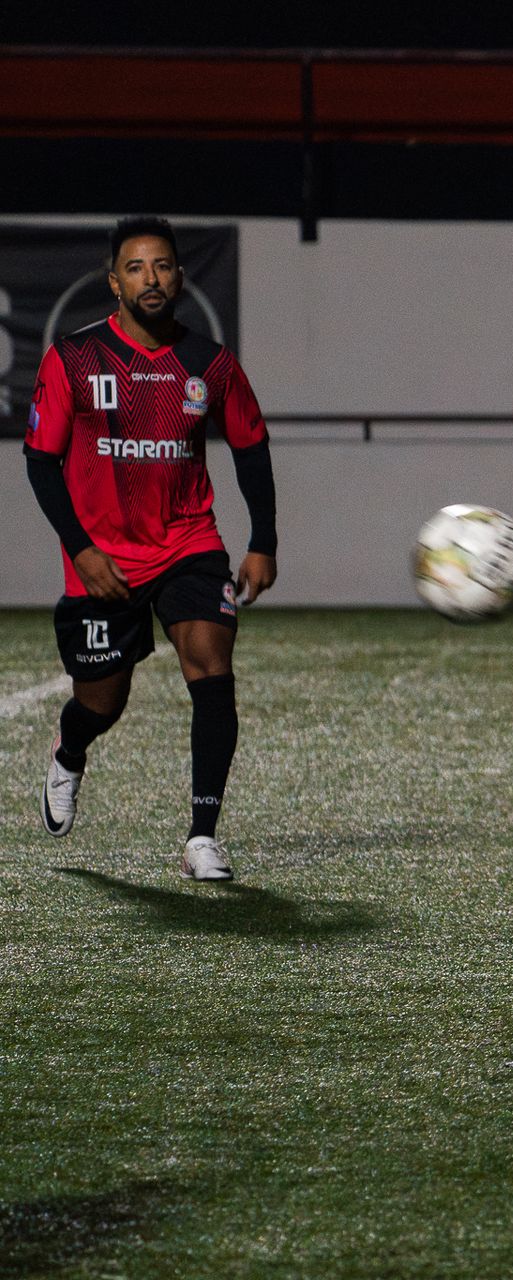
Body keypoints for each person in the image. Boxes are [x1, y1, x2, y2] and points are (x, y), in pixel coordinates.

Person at [24, 215, 279, 882]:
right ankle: (70, 751)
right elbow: (40, 462)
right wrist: (79, 549)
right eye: (136, 268)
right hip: (103, 560)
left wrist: (263, 541)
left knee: (211, 666)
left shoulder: (209, 363)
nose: (151, 278)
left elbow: (250, 445)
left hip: (190, 542)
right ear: (114, 282)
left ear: (181, 277)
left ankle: (202, 835)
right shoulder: (73, 360)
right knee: (101, 705)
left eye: (163, 266)